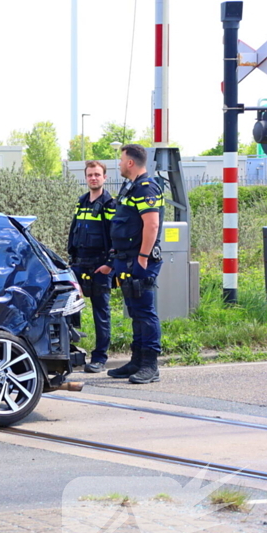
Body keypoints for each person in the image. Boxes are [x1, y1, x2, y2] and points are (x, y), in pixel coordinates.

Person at [103, 144, 164, 384]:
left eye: (120, 160)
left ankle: (150, 365)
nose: (118, 164)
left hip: (139, 260)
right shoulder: (130, 187)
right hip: (125, 258)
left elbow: (152, 225)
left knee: (145, 312)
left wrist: (142, 258)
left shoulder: (146, 188)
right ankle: (137, 360)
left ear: (130, 162)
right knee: (136, 312)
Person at [67, 160, 115, 373]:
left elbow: (115, 237)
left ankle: (100, 357)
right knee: (67, 309)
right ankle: (70, 352)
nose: (93, 178)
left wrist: (109, 265)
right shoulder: (82, 202)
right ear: (86, 178)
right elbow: (74, 232)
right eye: (90, 175)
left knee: (101, 313)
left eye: (97, 174)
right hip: (78, 265)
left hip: (99, 267)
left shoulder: (109, 204)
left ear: (104, 177)